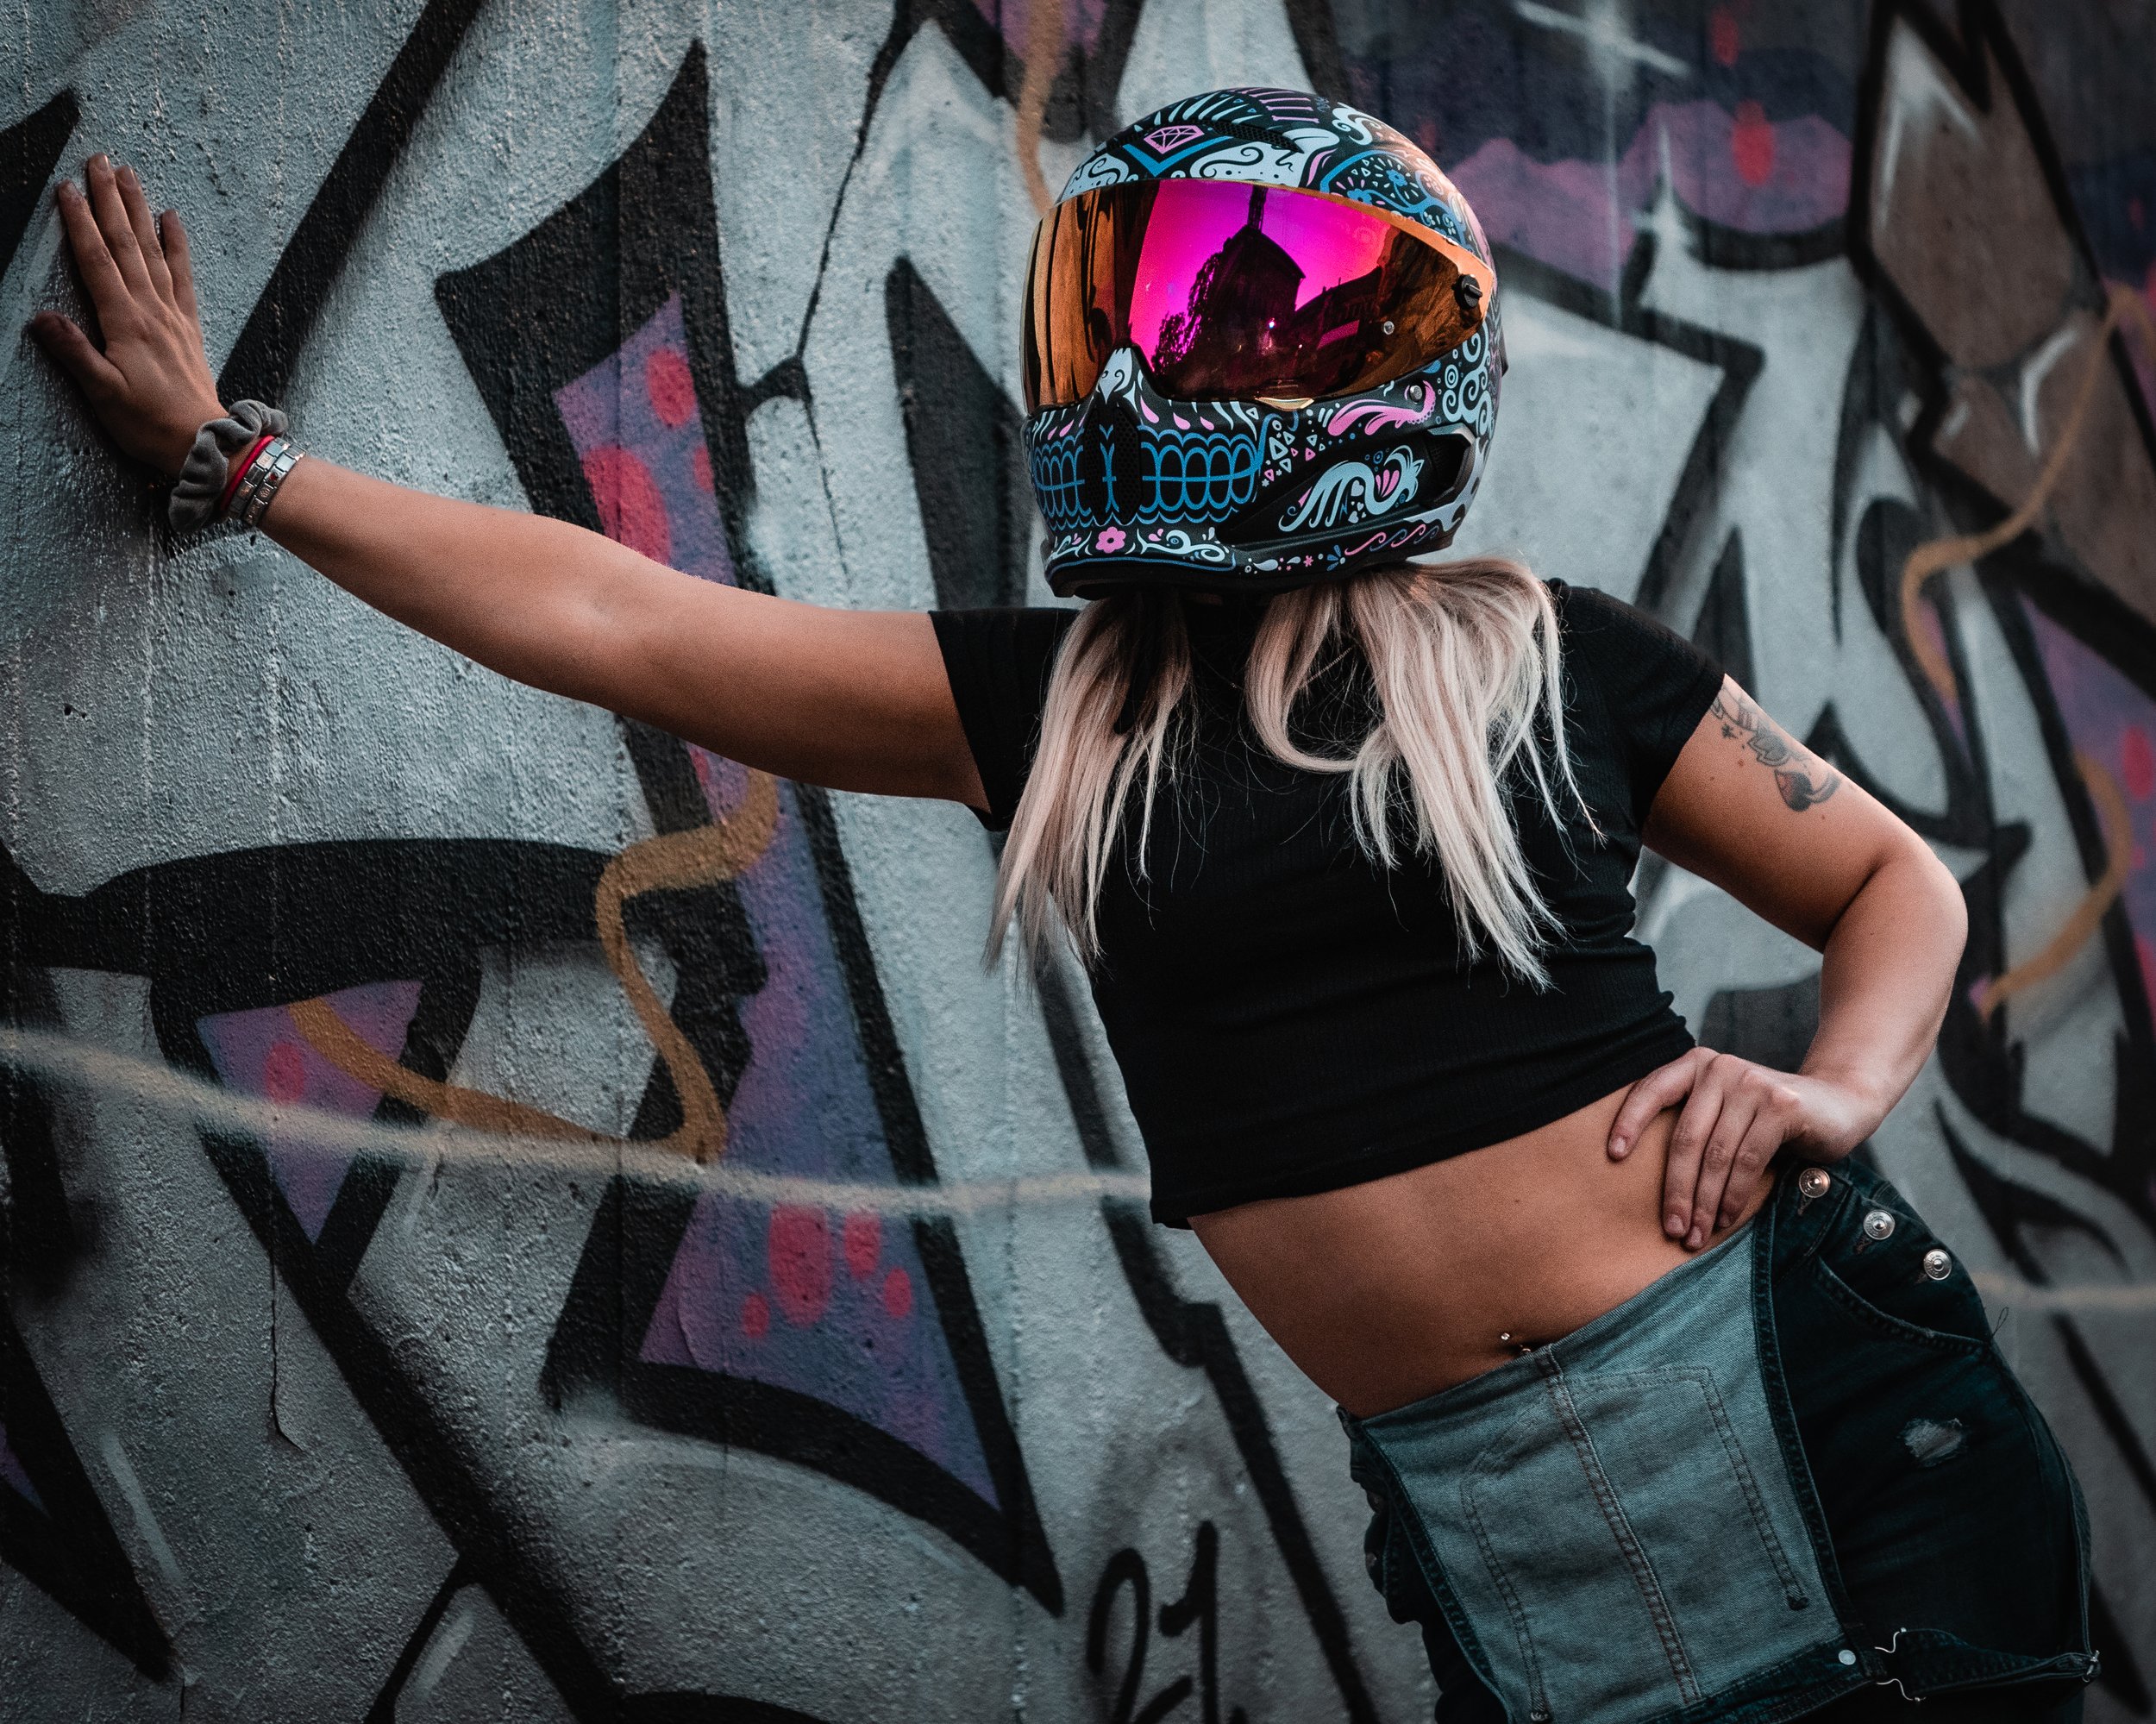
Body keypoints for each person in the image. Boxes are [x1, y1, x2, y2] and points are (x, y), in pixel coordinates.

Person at [30, 86, 2092, 1724]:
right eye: (1137, 308)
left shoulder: (1542, 654)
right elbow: (623, 619)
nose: (1158, 359)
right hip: (1466, 1504)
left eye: (1232, 318)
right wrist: (237, 459)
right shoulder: (1053, 707)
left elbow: (1882, 878)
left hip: (1800, 1402)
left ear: (1386, 364)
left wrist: (1833, 1089)